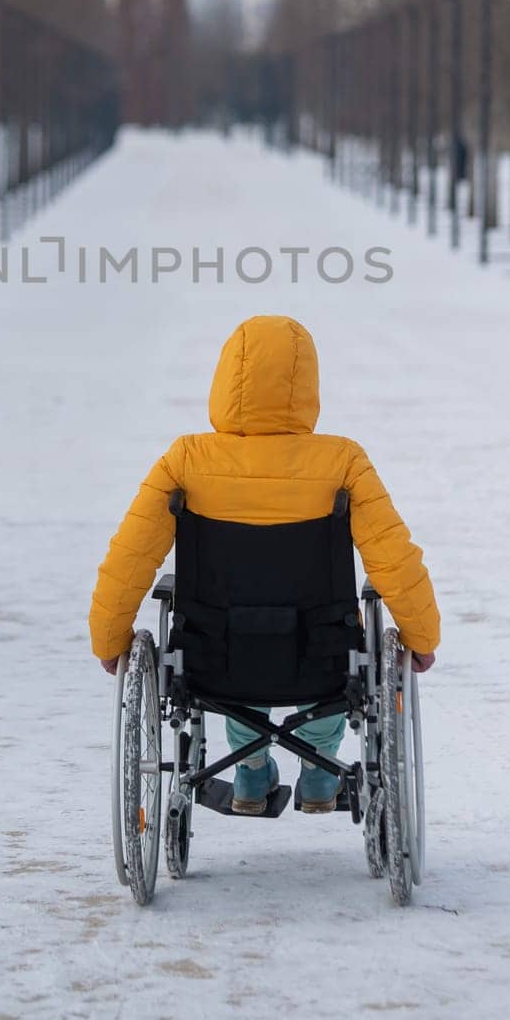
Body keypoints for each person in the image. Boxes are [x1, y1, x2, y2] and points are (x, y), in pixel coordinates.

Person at [89, 314, 440, 814]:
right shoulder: (342, 461)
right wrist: (421, 637)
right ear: (307, 387)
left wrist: (110, 639)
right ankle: (320, 772)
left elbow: (129, 557)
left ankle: (251, 773)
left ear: (226, 379)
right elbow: (393, 555)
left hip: (216, 657)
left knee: (236, 639)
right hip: (320, 654)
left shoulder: (185, 460)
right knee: (323, 648)